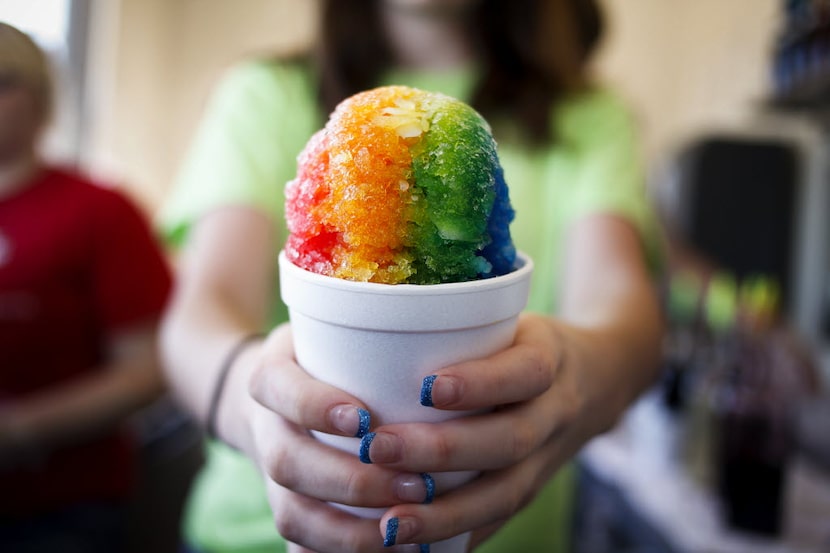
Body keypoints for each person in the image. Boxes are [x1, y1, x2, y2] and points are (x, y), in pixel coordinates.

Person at [160, 0, 663, 551]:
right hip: (253, 531)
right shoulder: (265, 93)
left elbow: (625, 314)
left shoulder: (587, 117)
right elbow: (200, 312)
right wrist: (247, 403)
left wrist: (580, 374)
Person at [0, 22, 172, 552]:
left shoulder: (99, 210)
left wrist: (19, 431)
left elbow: (148, 368)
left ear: (41, 97)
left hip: (61, 507)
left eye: (3, 81)